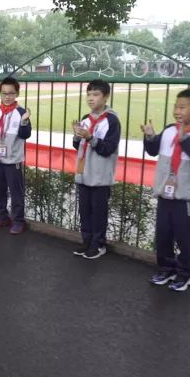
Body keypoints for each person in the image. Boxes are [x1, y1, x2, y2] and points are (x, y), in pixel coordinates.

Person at [142, 88, 190, 290]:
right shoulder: (170, 129)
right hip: (165, 193)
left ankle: (184, 273)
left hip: (185, 197)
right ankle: (166, 269)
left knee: (184, 237)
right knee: (163, 234)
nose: (177, 111)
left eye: (182, 107)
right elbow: (153, 151)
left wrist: (185, 140)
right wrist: (149, 137)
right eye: (176, 106)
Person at [70, 80, 122, 260]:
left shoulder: (111, 120)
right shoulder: (86, 118)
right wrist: (77, 136)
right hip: (84, 173)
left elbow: (108, 149)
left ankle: (98, 244)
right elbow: (78, 146)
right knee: (84, 209)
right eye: (89, 94)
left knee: (98, 211)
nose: (91, 99)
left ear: (106, 97)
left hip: (100, 176)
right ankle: (87, 240)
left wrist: (90, 137)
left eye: (96, 94)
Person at [0, 76, 32, 235]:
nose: (7, 97)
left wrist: (24, 122)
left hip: (13, 159)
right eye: (4, 93)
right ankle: (2, 216)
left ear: (17, 94)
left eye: (11, 93)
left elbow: (25, 135)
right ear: (0, 94)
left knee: (16, 191)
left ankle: (18, 221)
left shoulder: (21, 112)